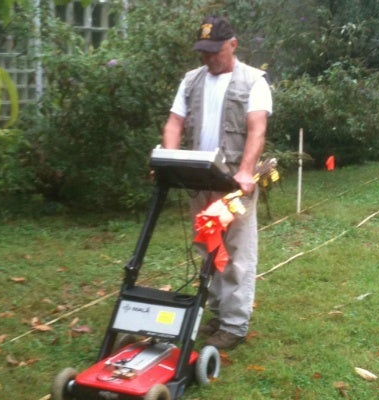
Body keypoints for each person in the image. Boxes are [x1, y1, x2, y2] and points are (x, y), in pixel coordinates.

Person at [162, 15, 272, 350]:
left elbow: (257, 129)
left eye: (215, 51)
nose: (209, 58)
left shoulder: (254, 81)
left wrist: (245, 170)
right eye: (204, 52)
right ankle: (216, 312)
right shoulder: (191, 81)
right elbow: (174, 123)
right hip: (200, 178)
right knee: (207, 246)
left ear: (233, 45)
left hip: (235, 184)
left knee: (237, 251)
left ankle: (235, 325)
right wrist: (170, 160)